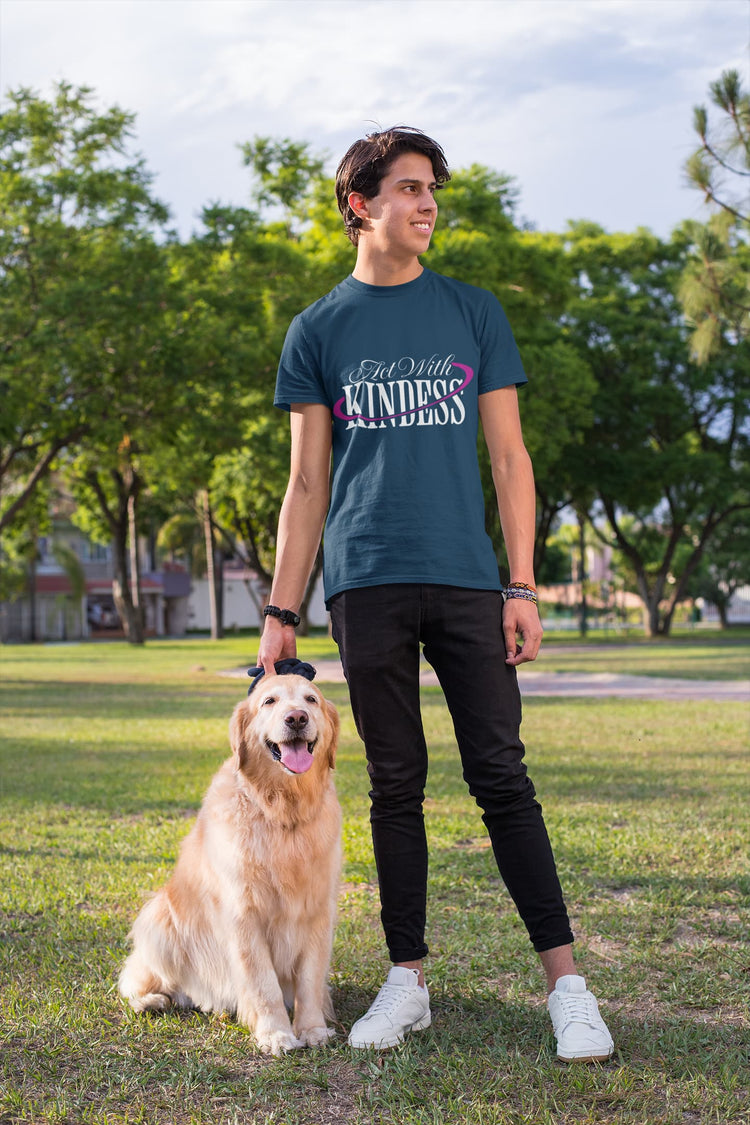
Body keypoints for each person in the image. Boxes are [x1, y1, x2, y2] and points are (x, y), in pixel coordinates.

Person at [258, 126, 614, 1063]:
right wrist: (281, 612)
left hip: (465, 579)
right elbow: (306, 487)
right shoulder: (318, 330)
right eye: (410, 189)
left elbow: (510, 456)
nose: (428, 206)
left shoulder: (472, 311)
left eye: (432, 192)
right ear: (360, 204)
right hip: (365, 581)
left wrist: (523, 582)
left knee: (502, 775)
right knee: (395, 786)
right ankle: (407, 978)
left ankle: (566, 986)